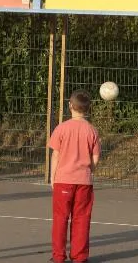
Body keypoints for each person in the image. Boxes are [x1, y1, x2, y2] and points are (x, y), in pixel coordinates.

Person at [48, 89, 101, 263]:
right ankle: (79, 257)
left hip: (63, 180)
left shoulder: (61, 128)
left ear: (70, 106)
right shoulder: (92, 130)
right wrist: (89, 170)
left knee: (60, 219)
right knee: (82, 218)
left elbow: (55, 155)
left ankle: (58, 257)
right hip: (84, 181)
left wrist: (53, 177)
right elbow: (95, 157)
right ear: (88, 108)